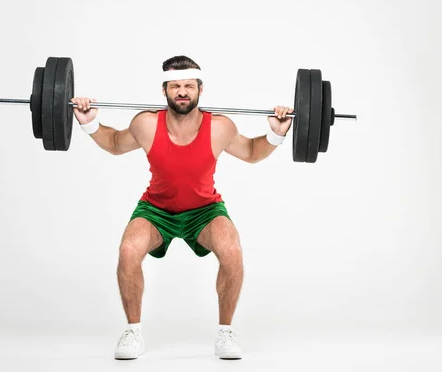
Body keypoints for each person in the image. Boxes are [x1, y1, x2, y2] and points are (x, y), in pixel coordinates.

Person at [71, 56, 293, 360]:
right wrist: (90, 122)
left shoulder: (220, 127)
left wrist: (276, 133)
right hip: (156, 210)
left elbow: (253, 152)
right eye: (175, 86)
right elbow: (113, 143)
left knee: (232, 251)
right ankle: (133, 331)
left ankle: (225, 332)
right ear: (164, 91)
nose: (182, 91)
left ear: (200, 88)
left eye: (189, 85)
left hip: (204, 210)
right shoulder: (146, 124)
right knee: (128, 250)